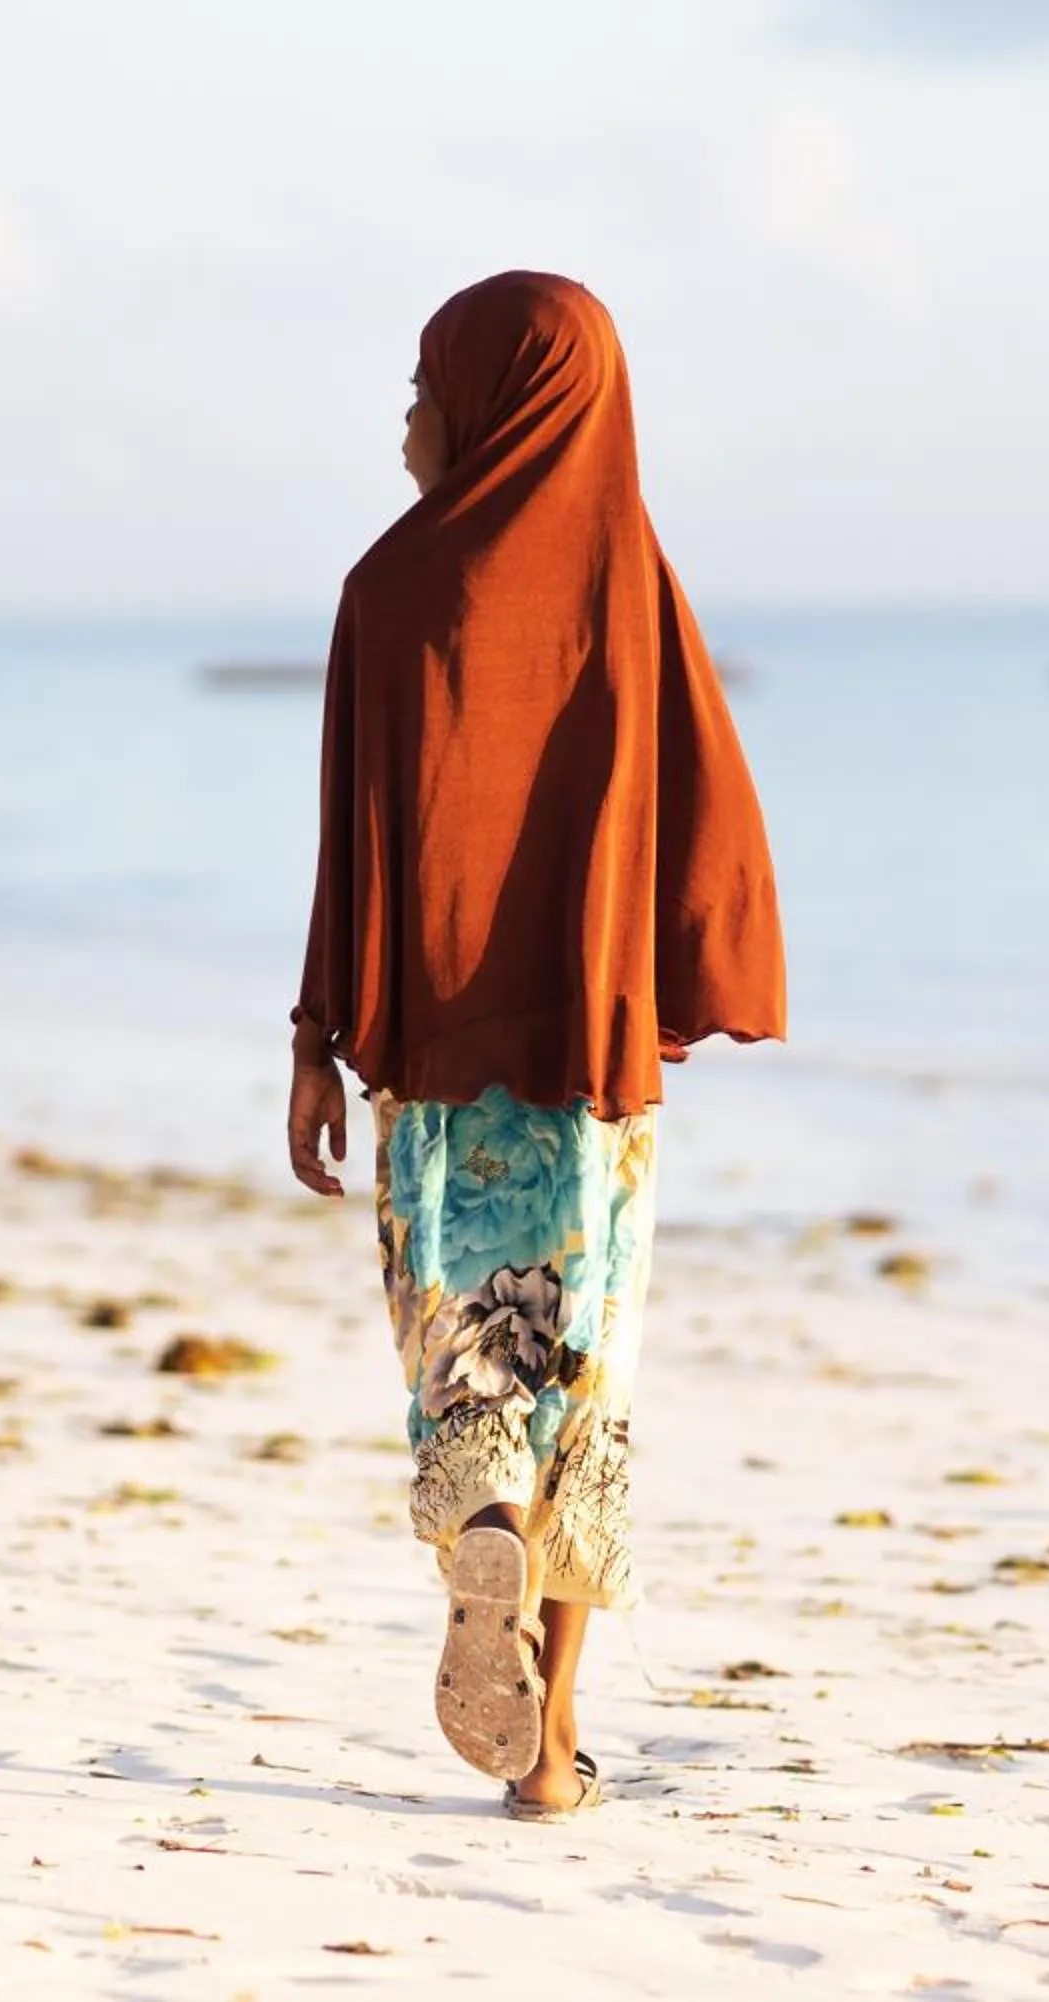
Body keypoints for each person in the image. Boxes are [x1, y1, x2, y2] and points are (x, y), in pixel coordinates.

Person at [284, 270, 785, 1820]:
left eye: (428, 383)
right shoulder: (629, 583)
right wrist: (692, 980)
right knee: (586, 1382)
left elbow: (351, 848)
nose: (409, 417)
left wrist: (317, 1035)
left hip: (437, 1074)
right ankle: (553, 1748)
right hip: (592, 1076)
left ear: (499, 397)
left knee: (469, 1367)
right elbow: (708, 825)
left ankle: (479, 1516)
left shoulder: (390, 592)